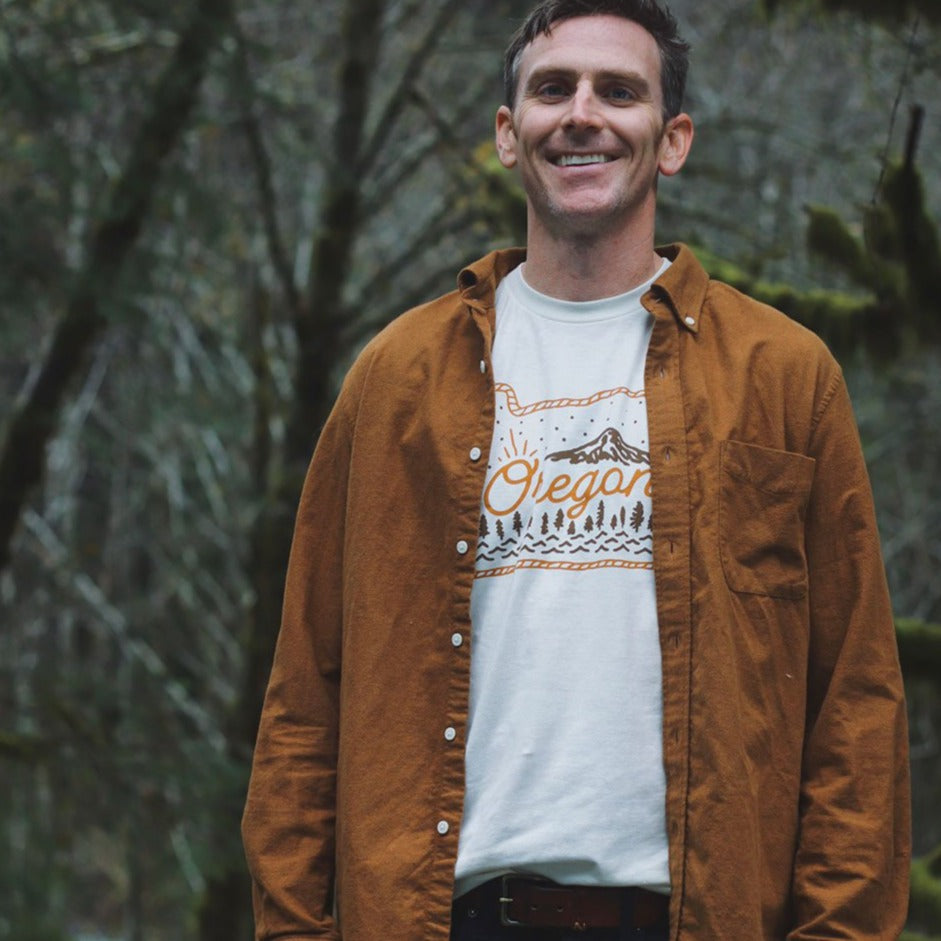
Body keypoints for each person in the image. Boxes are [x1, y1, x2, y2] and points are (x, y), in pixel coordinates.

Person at [241, 0, 911, 938]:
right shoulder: (397, 378)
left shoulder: (782, 375)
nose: (582, 114)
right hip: (443, 917)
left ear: (671, 140)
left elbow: (854, 703)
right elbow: (305, 696)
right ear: (507, 134)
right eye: (552, 89)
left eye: (619, 92)